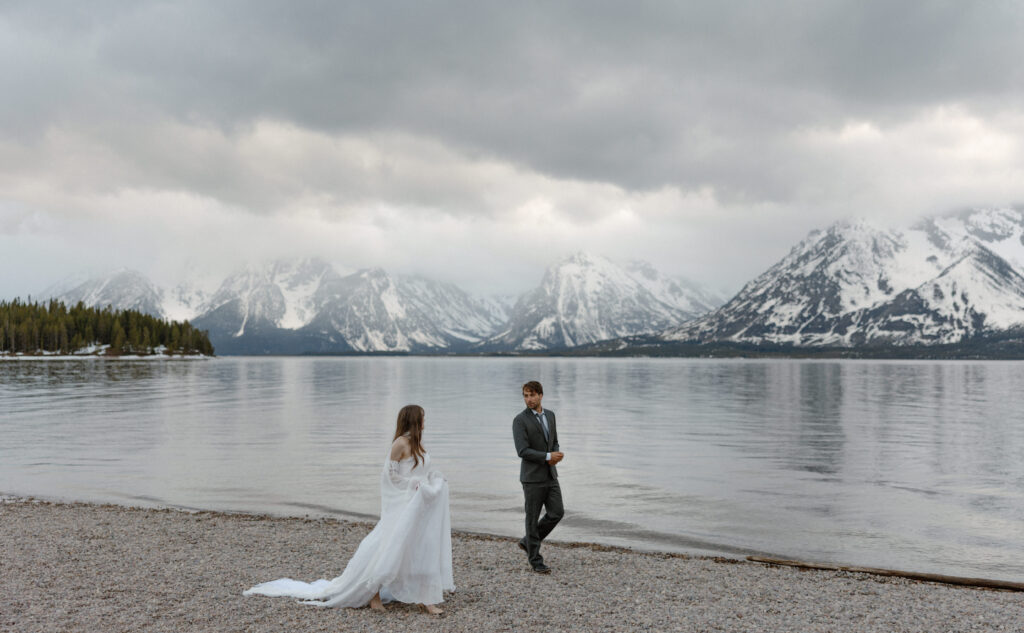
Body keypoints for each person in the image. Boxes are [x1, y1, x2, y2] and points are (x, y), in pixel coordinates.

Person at [244, 405, 453, 615]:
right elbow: (390, 478)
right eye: (423, 418)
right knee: (389, 548)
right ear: (414, 420)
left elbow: (422, 470)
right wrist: (412, 485)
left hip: (419, 507)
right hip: (404, 507)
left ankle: (424, 598)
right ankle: (373, 592)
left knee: (421, 548)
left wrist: (435, 480)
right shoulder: (400, 444)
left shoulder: (419, 445)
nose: (425, 421)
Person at [512, 380, 564, 573]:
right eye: (525, 395)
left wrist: (555, 455)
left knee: (556, 512)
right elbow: (522, 450)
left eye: (532, 395)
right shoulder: (520, 420)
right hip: (532, 477)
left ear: (541, 395)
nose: (529, 399)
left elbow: (554, 441)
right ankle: (535, 560)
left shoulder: (550, 415)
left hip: (550, 474)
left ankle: (528, 542)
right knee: (532, 518)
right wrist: (547, 456)